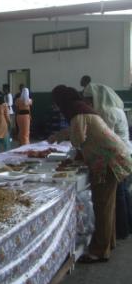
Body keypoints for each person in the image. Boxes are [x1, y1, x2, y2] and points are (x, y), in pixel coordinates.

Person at [50, 85, 132, 263]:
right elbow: (83, 133)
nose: (57, 107)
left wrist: (64, 136)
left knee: (102, 206)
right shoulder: (83, 110)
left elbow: (78, 139)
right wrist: (60, 134)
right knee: (107, 206)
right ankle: (108, 243)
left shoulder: (77, 113)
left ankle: (99, 251)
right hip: (112, 158)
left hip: (108, 162)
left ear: (63, 101)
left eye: (57, 103)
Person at [83, 83, 132, 239]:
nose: (89, 104)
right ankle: (126, 227)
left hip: (116, 156)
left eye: (90, 100)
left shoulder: (107, 112)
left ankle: (121, 230)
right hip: (124, 152)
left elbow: (105, 138)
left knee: (118, 194)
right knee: (123, 192)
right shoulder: (117, 109)